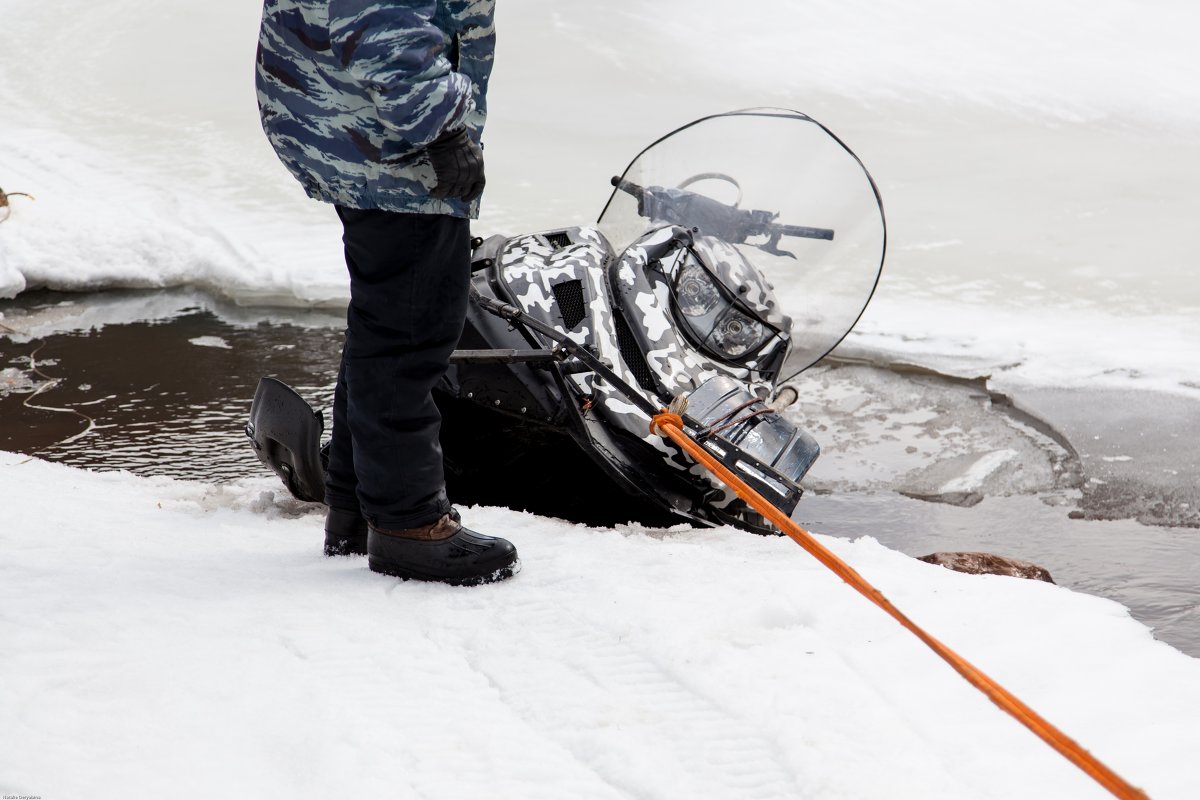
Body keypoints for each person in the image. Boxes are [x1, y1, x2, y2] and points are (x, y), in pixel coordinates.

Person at [255, 0, 518, 585]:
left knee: (388, 315)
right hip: (391, 138)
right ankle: (408, 526)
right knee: (411, 331)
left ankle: (353, 505)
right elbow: (382, 24)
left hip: (352, 118)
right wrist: (442, 128)